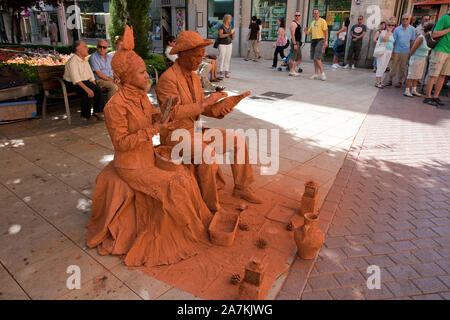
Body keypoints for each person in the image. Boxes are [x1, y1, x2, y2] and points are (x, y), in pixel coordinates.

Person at [94, 25, 213, 267]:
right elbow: (122, 143)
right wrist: (155, 129)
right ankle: (184, 234)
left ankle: (197, 225)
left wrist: (164, 117)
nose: (146, 76)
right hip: (131, 165)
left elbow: (152, 116)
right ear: (125, 78)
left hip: (148, 157)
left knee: (185, 177)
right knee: (175, 184)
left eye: (144, 72)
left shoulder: (139, 97)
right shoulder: (114, 106)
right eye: (140, 73)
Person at [156, 31, 263, 213]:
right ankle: (210, 206)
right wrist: (204, 103)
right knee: (207, 153)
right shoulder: (168, 80)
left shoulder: (195, 77)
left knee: (237, 139)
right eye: (197, 56)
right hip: (175, 136)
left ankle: (241, 187)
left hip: (194, 131)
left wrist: (222, 107)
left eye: (202, 56)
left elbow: (204, 109)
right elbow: (172, 113)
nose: (200, 60)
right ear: (183, 54)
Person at [63, 40, 105, 121]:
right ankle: (86, 116)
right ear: (78, 49)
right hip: (72, 84)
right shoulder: (73, 61)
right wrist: (88, 89)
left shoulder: (84, 60)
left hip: (83, 82)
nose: (88, 48)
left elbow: (91, 76)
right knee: (87, 92)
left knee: (97, 89)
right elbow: (76, 79)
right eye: (85, 46)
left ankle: (97, 112)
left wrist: (95, 86)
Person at [423, 13, 450, 106]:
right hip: (440, 50)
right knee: (433, 74)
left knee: (443, 75)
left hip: (449, 52)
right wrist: (449, 29)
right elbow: (434, 34)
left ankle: (436, 96)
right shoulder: (445, 18)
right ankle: (428, 96)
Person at [404, 22, 433, 97]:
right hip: (416, 59)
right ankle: (407, 90)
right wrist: (410, 59)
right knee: (411, 75)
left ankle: (414, 90)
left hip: (422, 59)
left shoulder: (427, 38)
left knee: (417, 75)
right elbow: (413, 49)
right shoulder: (421, 38)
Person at [387, 14, 416, 88]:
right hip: (396, 50)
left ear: (409, 20)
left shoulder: (412, 29)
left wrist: (411, 52)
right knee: (393, 66)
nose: (405, 20)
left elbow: (412, 41)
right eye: (403, 19)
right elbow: (393, 41)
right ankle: (390, 80)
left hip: (406, 51)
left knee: (403, 67)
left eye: (406, 19)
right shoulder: (397, 29)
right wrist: (392, 52)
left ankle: (400, 81)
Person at [304, 9, 328, 81]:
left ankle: (323, 74)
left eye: (317, 13)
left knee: (317, 57)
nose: (316, 14)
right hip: (313, 40)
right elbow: (309, 33)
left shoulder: (322, 21)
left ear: (319, 13)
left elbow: (326, 32)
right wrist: (305, 31)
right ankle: (316, 74)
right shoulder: (312, 22)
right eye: (314, 13)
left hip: (320, 40)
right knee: (314, 58)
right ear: (313, 14)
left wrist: (326, 41)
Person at [375, 19, 395, 89]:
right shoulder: (383, 32)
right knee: (380, 65)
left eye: (392, 25)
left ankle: (380, 81)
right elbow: (385, 39)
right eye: (389, 25)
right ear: (387, 25)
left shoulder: (392, 34)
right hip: (383, 51)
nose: (391, 26)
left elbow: (392, 43)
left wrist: (392, 53)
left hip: (389, 51)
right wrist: (389, 32)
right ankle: (378, 82)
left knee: (384, 66)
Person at [218, 14, 235, 78]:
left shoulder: (230, 27)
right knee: (222, 58)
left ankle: (226, 72)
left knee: (228, 59)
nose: (230, 20)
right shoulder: (221, 26)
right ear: (226, 19)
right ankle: (221, 72)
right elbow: (221, 36)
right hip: (222, 44)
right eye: (230, 19)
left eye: (231, 19)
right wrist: (229, 34)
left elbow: (232, 38)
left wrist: (233, 33)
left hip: (229, 44)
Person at [288, 12, 303, 77]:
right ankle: (291, 71)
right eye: (296, 15)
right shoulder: (293, 24)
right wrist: (294, 44)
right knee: (293, 57)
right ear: (294, 16)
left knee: (298, 58)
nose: (297, 16)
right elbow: (292, 34)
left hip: (297, 42)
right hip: (295, 42)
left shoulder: (298, 23)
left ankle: (292, 70)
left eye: (298, 15)